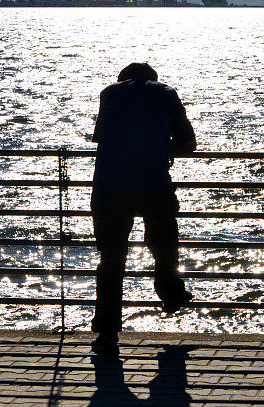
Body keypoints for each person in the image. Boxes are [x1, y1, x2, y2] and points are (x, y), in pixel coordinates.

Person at [90, 62, 197, 355]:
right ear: (154, 79)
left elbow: (100, 138)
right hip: (152, 181)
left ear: (121, 79)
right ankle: (171, 294)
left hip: (109, 187)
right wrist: (164, 150)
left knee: (111, 259)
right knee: (163, 244)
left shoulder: (108, 93)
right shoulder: (166, 93)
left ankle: (107, 330)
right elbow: (189, 143)